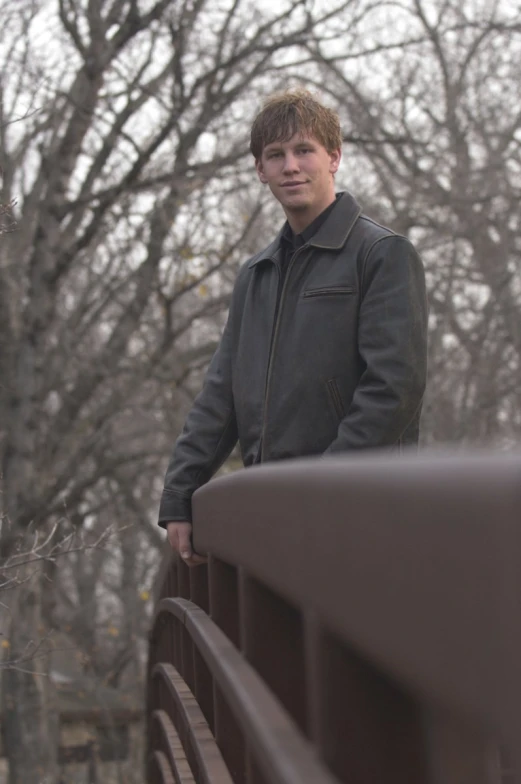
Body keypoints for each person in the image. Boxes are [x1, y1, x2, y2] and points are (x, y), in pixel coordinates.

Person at [158, 89, 428, 565]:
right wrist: (180, 494)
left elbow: (394, 388)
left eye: (304, 150)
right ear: (260, 170)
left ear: (334, 157)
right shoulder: (255, 275)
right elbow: (221, 395)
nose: (291, 166)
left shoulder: (382, 254)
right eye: (275, 155)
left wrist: (316, 489)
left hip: (361, 517)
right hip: (277, 518)